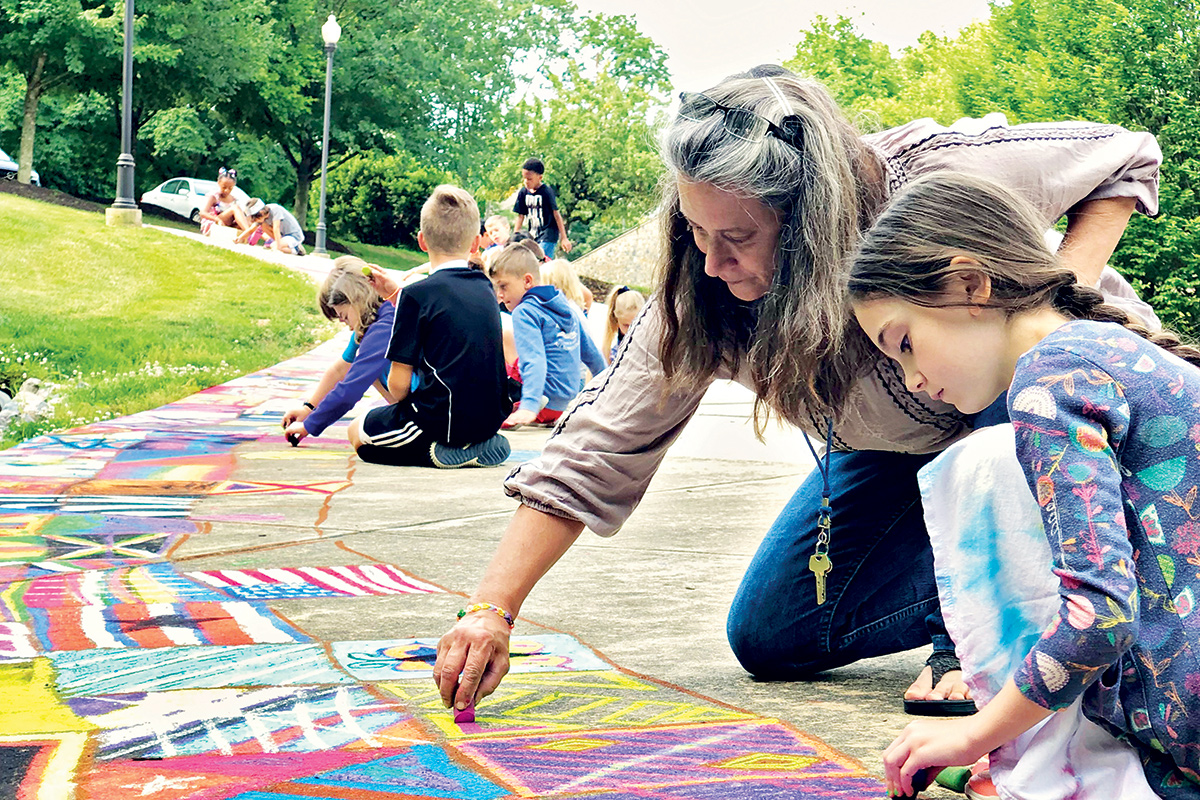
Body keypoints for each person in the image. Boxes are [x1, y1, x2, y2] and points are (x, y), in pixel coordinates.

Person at [432, 65, 1162, 720]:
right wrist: (491, 609)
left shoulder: (927, 185)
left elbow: (1124, 153)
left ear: (809, 220)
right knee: (773, 633)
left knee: (1016, 378)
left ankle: (1008, 616)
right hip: (892, 447)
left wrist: (1058, 299)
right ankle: (1007, 580)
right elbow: (600, 446)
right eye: (695, 232)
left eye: (738, 238)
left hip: (1036, 420)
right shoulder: (702, 291)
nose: (713, 263)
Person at [846, 172, 1200, 798]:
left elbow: (1100, 617)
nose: (912, 380)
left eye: (904, 343)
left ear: (968, 285)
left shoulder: (1049, 378)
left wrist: (975, 733)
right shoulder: (1102, 349)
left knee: (976, 466)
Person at [348, 184, 511, 469]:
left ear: (422, 241)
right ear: (475, 243)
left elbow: (398, 386)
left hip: (439, 420)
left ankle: (433, 450)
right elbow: (445, 312)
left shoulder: (416, 295)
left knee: (358, 432)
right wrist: (396, 291)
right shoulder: (484, 287)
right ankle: (473, 443)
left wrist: (402, 405)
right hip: (490, 417)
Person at [488, 244, 606, 429]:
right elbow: (591, 353)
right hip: (562, 402)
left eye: (503, 286)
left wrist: (529, 406)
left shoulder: (525, 312)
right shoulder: (565, 306)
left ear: (527, 281)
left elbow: (534, 360)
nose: (500, 295)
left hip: (539, 401)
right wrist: (608, 389)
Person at [282, 257, 396, 445]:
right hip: (429, 403)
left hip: (429, 409)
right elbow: (341, 369)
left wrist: (309, 425)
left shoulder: (383, 328)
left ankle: (419, 431)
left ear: (357, 300)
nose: (349, 327)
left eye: (344, 317)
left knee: (361, 434)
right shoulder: (374, 320)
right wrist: (309, 409)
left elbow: (351, 388)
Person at [512, 158, 571, 258]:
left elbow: (556, 214)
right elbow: (520, 216)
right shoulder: (523, 193)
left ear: (540, 178)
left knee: (541, 259)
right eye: (524, 178)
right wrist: (514, 237)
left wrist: (564, 238)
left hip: (548, 234)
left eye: (530, 179)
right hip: (533, 234)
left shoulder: (546, 192)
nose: (526, 182)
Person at [237, 198, 306, 256]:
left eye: (256, 218)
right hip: (283, 236)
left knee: (273, 246)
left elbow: (276, 228)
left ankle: (296, 250)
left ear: (261, 213)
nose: (256, 221)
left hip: (293, 236)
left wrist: (278, 246)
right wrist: (239, 238)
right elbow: (251, 230)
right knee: (264, 226)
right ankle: (285, 246)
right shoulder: (262, 219)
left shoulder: (275, 209)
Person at [601, 285, 646, 364]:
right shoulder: (612, 350)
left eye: (636, 325)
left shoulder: (648, 342)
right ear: (617, 321)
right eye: (626, 325)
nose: (630, 330)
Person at [198, 167, 249, 235]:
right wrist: (217, 219)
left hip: (229, 224)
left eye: (230, 188)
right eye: (224, 187)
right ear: (219, 183)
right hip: (215, 222)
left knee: (249, 219)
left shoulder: (234, 199)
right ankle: (249, 232)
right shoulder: (214, 197)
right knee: (235, 208)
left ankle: (265, 238)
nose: (226, 190)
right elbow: (202, 213)